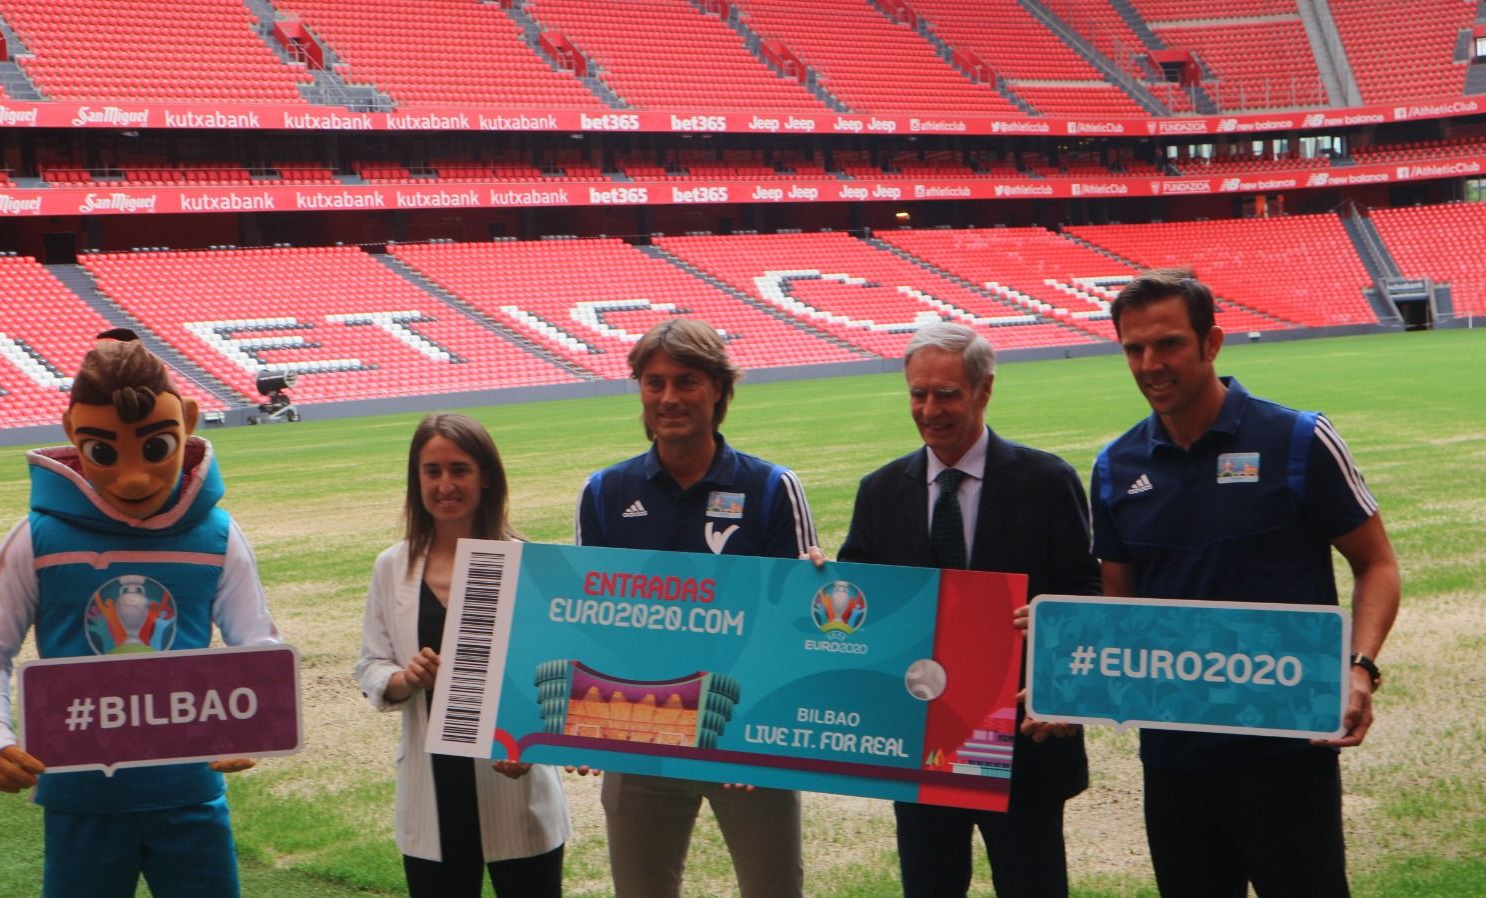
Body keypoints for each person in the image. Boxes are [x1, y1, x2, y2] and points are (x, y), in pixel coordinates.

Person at [1092, 269, 1400, 897]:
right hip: (1175, 759)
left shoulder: (1297, 439)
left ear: (1212, 344)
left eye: (1169, 344)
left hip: (1287, 751)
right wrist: (1063, 660)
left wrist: (1360, 669)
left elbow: (1377, 564)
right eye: (1134, 348)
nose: (1151, 364)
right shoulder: (1115, 467)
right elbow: (1117, 607)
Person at [0, 329, 280, 898]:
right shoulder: (36, 539)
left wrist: (249, 725)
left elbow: (256, 645)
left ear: (190, 419)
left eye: (155, 446)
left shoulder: (220, 537)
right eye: (104, 450)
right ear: (72, 435)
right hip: (81, 798)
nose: (132, 476)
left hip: (190, 793)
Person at [837, 321, 1099, 898]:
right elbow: (858, 610)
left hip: (1023, 746)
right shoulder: (879, 492)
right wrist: (819, 584)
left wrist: (1055, 633)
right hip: (920, 743)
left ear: (984, 390)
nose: (930, 409)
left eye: (947, 394)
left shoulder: (1046, 482)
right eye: (917, 393)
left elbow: (1088, 596)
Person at [575, 319, 816, 898]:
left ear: (718, 390)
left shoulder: (771, 487)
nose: (668, 398)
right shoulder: (605, 492)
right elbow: (588, 618)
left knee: (773, 889)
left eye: (686, 381)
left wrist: (812, 589)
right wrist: (581, 724)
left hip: (746, 734)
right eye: (653, 382)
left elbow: (795, 628)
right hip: (640, 731)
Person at [356, 413, 570, 898]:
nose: (445, 484)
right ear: (417, 479)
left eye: (460, 469)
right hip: (431, 794)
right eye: (432, 471)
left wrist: (534, 748)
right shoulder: (392, 567)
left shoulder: (528, 563)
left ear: (486, 476)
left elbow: (555, 680)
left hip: (514, 789)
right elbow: (370, 663)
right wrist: (404, 680)